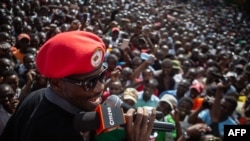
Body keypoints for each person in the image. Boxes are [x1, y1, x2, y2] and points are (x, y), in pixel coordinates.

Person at [0, 31, 156, 141]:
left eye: (101, 76)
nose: (99, 88)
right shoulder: (55, 133)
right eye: (89, 83)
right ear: (56, 83)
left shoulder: (39, 95)